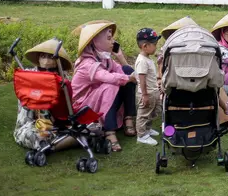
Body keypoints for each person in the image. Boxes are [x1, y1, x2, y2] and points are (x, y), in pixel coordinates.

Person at [71, 22, 137, 152]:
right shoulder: (87, 63)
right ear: (96, 41)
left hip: (99, 98)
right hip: (83, 106)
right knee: (111, 85)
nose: (113, 41)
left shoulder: (103, 58)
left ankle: (128, 118)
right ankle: (109, 131)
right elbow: (107, 77)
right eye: (109, 38)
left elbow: (124, 72)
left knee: (126, 70)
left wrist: (120, 57)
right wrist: (128, 78)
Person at [14, 39, 78, 152]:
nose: (46, 60)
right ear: (38, 58)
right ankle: (66, 141)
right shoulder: (29, 76)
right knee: (32, 136)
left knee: (90, 128)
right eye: (43, 56)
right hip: (32, 124)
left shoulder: (63, 79)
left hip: (56, 123)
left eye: (50, 57)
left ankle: (54, 145)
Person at [134, 28, 163, 146]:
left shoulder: (147, 59)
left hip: (153, 91)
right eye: (154, 45)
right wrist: (145, 95)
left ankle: (147, 129)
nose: (156, 47)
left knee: (151, 113)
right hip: (146, 93)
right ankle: (141, 135)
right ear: (145, 46)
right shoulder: (142, 61)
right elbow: (142, 79)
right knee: (143, 114)